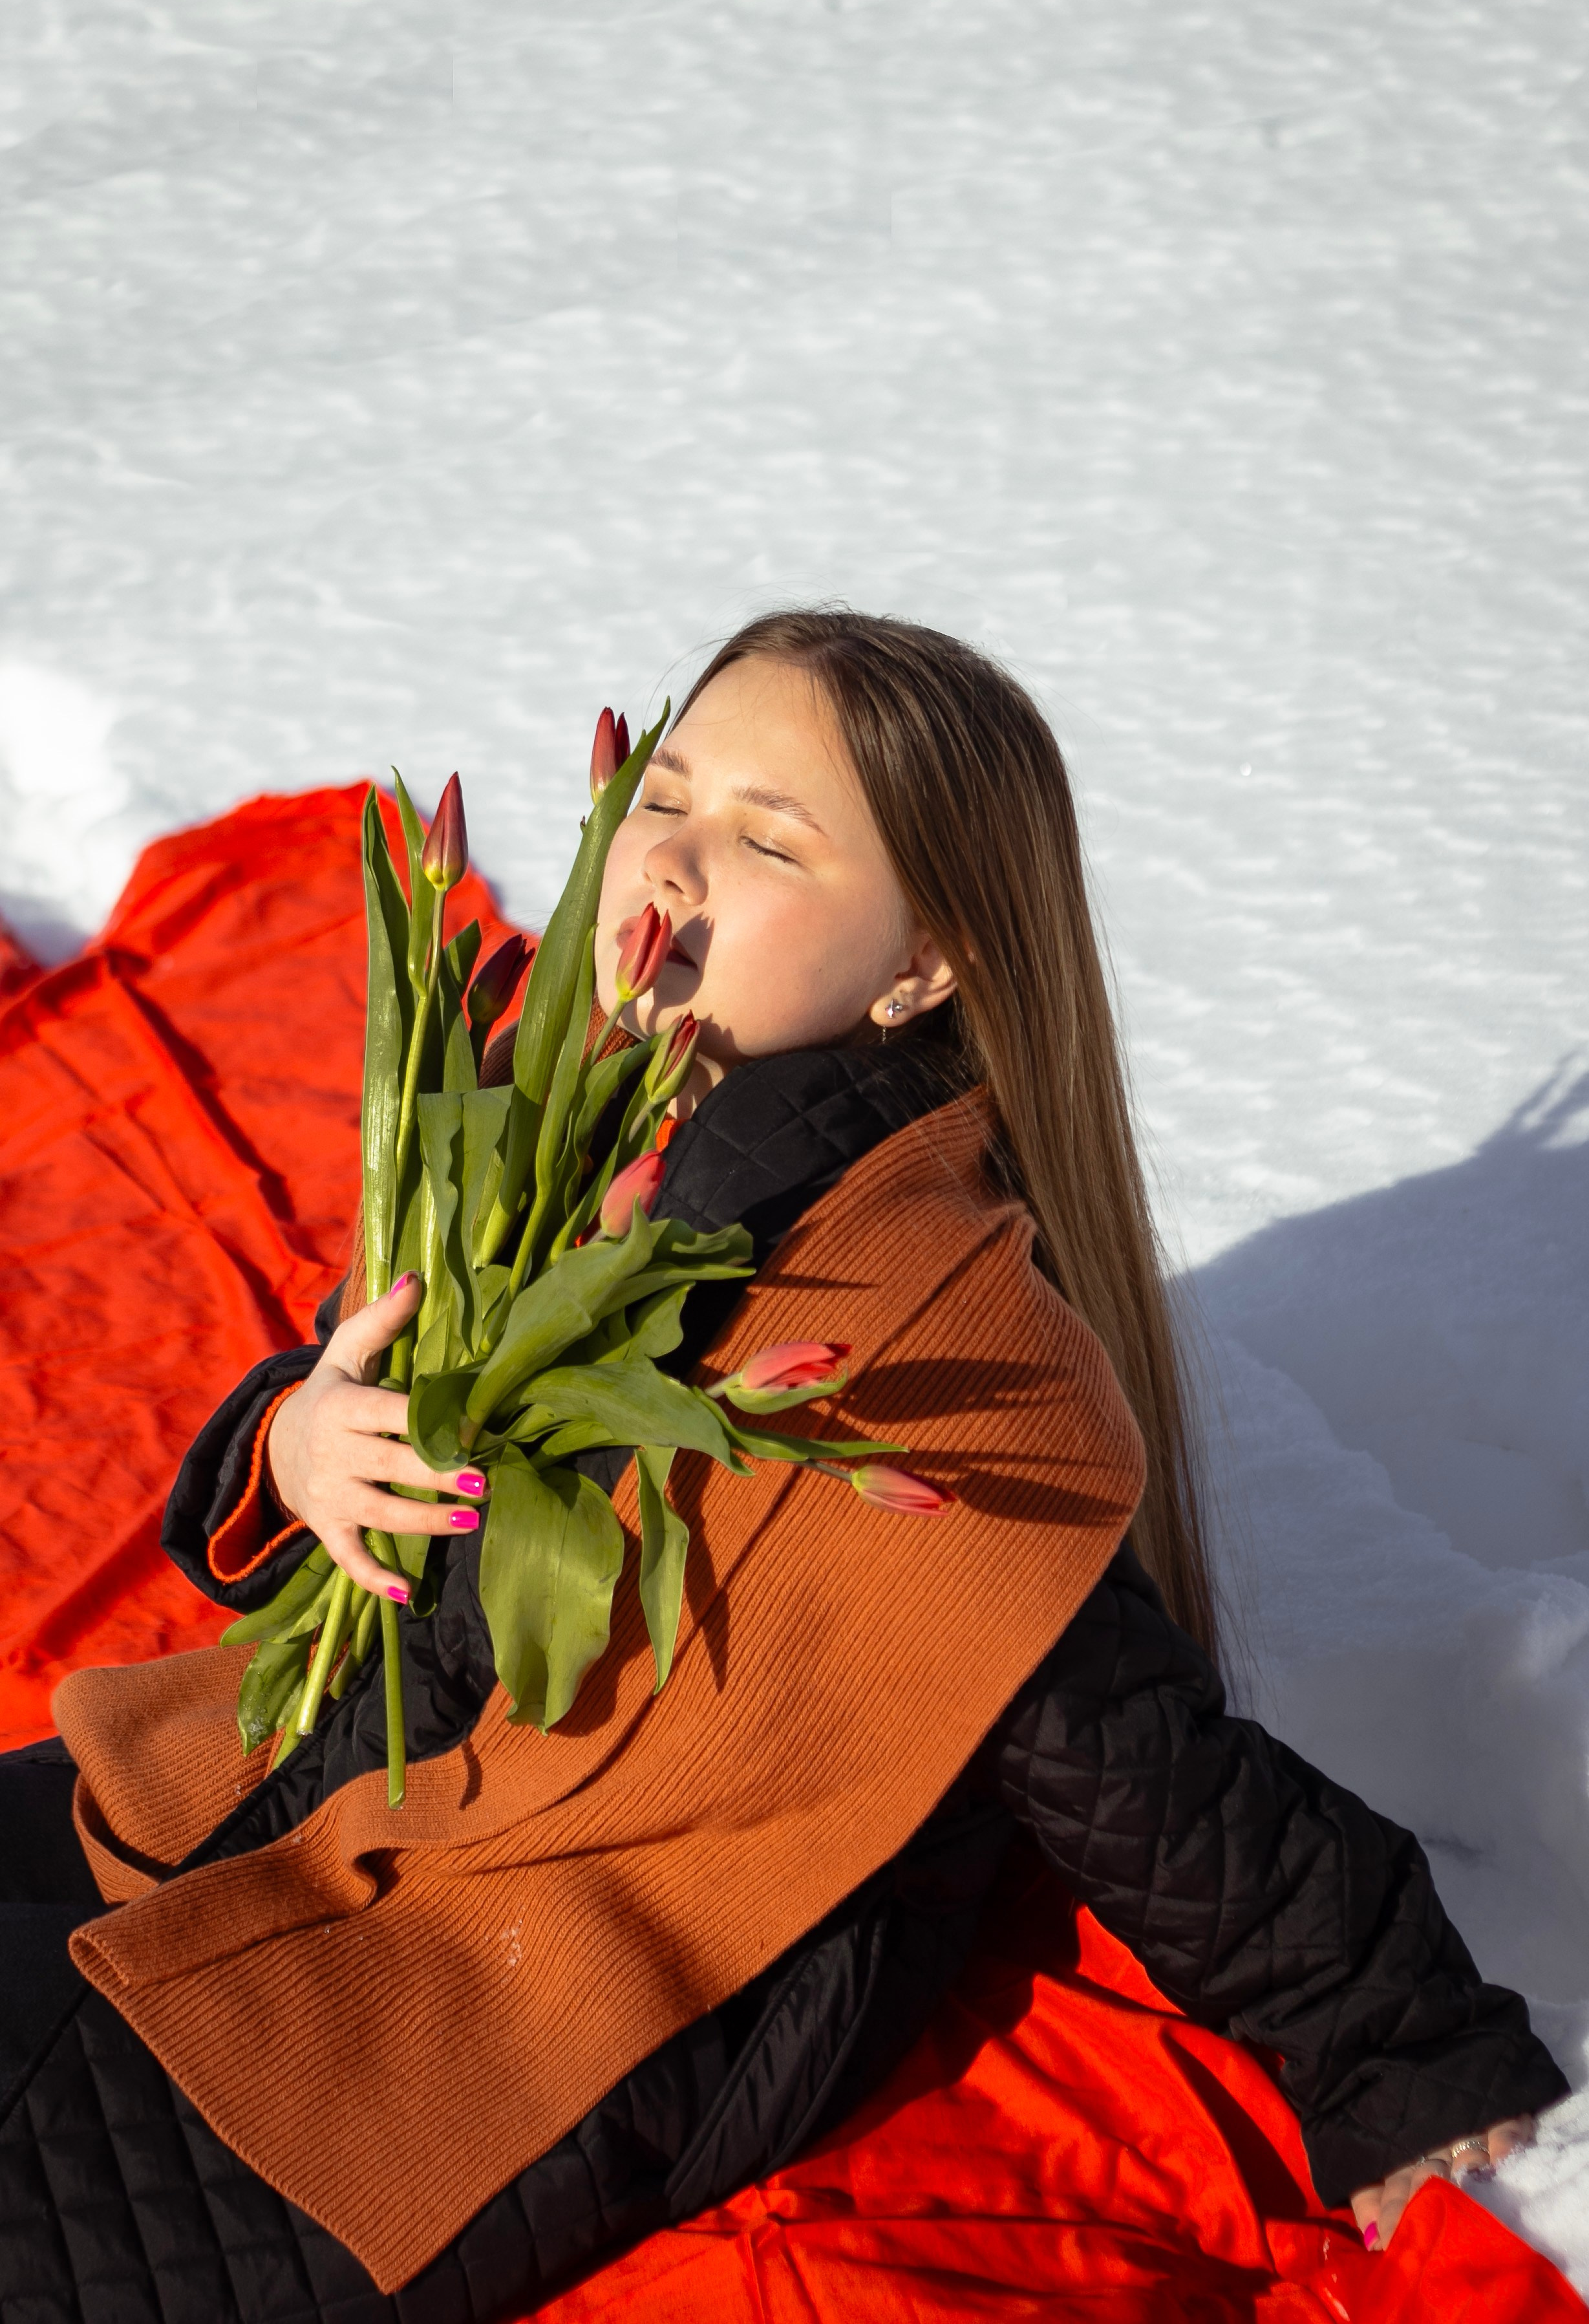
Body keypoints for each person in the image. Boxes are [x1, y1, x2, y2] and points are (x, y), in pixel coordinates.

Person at [0, 612, 1566, 2323]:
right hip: (270, 1784)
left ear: (923, 965)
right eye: (662, 791)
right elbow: (337, 1389)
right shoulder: (562, 1125)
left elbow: (1144, 1767)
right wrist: (300, 1441)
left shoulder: (934, 1357)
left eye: (767, 838)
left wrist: (1399, 2046)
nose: (667, 854)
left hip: (496, 2011)